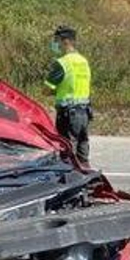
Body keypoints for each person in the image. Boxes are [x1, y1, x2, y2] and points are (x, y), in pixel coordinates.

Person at [45, 24, 92, 163]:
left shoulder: (62, 63)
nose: (55, 44)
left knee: (67, 152)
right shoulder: (83, 61)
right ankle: (85, 175)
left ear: (65, 41)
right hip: (84, 112)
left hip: (68, 113)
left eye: (57, 40)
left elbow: (47, 89)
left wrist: (55, 91)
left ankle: (69, 179)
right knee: (82, 149)